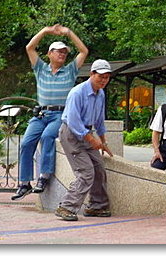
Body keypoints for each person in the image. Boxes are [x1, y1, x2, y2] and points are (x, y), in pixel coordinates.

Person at [11, 24, 88, 201]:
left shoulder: (69, 70)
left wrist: (69, 32)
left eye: (64, 52)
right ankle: (24, 183)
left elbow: (83, 51)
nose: (62, 54)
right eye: (58, 51)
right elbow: (29, 47)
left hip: (60, 115)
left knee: (47, 137)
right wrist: (45, 31)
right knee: (26, 142)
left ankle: (44, 177)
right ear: (49, 54)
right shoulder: (40, 68)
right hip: (41, 115)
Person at [54, 59, 114, 221]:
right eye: (100, 76)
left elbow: (100, 121)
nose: (103, 80)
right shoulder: (77, 92)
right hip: (71, 134)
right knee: (86, 172)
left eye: (107, 77)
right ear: (92, 74)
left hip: (87, 132)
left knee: (99, 168)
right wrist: (91, 139)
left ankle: (97, 206)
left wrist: (103, 142)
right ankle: (66, 207)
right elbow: (73, 121)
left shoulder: (100, 94)